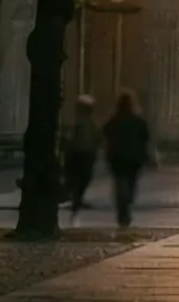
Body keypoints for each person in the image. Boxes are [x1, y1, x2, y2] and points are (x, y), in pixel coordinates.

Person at [100, 92, 152, 229]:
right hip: (134, 158)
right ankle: (126, 204)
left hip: (117, 157)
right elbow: (146, 139)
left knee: (119, 182)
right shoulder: (139, 121)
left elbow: (105, 132)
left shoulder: (114, 120)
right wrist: (149, 157)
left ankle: (122, 208)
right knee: (131, 183)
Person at [61, 94, 101, 219]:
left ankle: (77, 199)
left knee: (83, 177)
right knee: (78, 177)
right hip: (78, 154)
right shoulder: (76, 122)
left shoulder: (88, 123)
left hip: (84, 153)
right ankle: (74, 199)